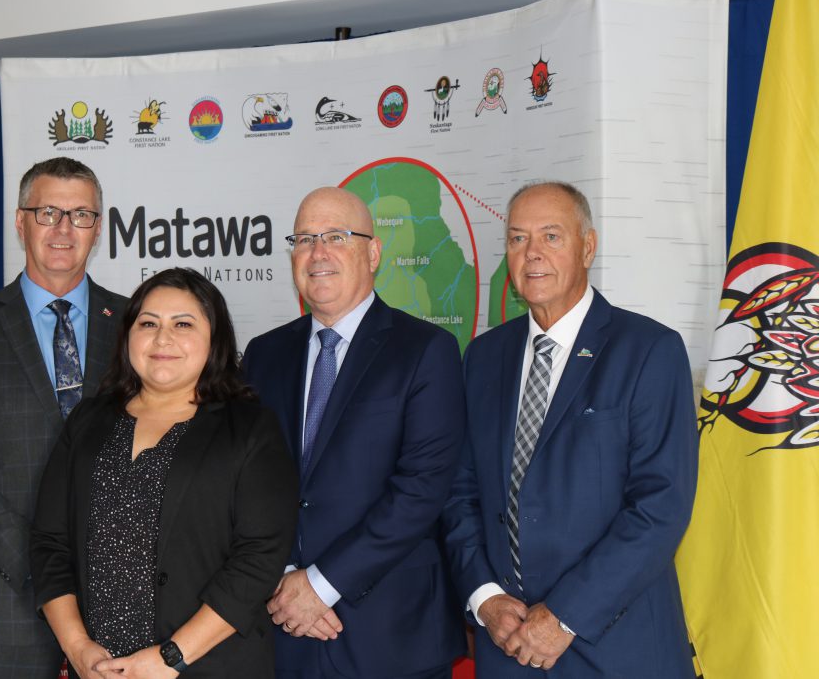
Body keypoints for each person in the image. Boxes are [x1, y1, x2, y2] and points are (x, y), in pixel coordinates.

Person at [440, 182, 697, 677]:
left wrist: (564, 617)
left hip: (614, 648)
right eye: (517, 239)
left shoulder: (648, 350)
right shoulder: (483, 358)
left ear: (588, 246)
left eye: (551, 236)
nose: (532, 254)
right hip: (507, 645)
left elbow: (660, 506)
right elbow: (459, 493)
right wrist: (486, 598)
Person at [241, 187, 466, 679]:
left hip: (390, 636)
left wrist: (320, 586)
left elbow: (421, 490)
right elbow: (243, 483)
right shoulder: (262, 355)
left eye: (336, 237)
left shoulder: (427, 350)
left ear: (373, 252)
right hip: (282, 631)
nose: (317, 253)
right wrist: (283, 582)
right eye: (303, 239)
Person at [31, 267, 298, 678]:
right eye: (148, 323)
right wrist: (78, 647)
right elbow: (49, 543)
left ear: (215, 339)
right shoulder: (88, 420)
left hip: (205, 666)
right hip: (97, 669)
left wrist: (171, 657)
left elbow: (258, 559)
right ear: (128, 336)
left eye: (184, 324)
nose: (162, 338)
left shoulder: (249, 429)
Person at [0, 157, 127, 677]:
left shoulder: (138, 326)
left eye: (81, 215)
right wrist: (43, 566)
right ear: (20, 222)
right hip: (7, 600)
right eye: (48, 213)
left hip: (125, 600)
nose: (64, 229)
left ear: (98, 228)